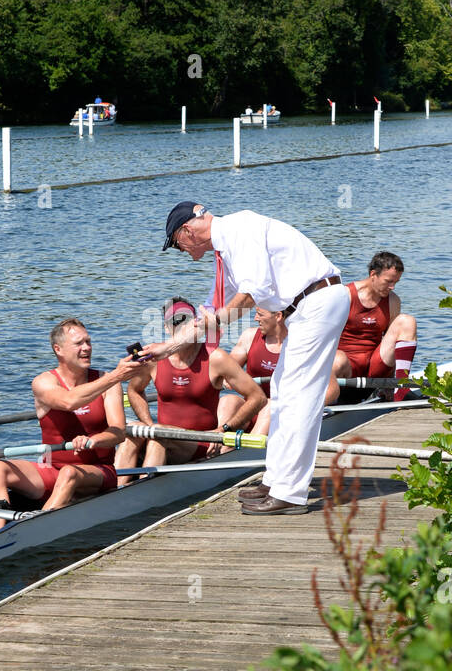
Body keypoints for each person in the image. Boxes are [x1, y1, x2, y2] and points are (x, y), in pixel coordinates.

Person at [146, 202, 350, 515]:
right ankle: (276, 479)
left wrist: (221, 320)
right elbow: (209, 313)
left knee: (300, 397)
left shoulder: (239, 229)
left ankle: (290, 493)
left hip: (317, 302)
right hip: (305, 308)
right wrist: (166, 348)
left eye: (176, 244)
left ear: (187, 230)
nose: (181, 251)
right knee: (281, 393)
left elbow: (253, 292)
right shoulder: (225, 249)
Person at [0, 319, 143, 533]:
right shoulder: (43, 383)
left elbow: (118, 432)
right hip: (52, 468)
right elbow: (68, 402)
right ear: (58, 349)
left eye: (89, 342)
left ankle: (32, 532)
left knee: (69, 474)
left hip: (100, 472)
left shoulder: (108, 382)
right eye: (79, 343)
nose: (87, 348)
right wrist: (116, 375)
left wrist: (95, 440)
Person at [117, 297, 266, 478]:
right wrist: (148, 423)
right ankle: (116, 489)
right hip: (162, 434)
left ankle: (140, 492)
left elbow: (258, 397)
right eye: (175, 321)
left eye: (186, 320)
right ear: (166, 327)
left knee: (160, 436)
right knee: (133, 430)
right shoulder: (154, 360)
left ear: (196, 323)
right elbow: (134, 390)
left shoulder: (215, 358)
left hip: (200, 442)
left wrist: (224, 429)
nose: (181, 326)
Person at [329, 252, 417, 403]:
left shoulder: (393, 301)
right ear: (373, 274)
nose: (392, 287)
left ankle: (400, 388)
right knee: (336, 360)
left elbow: (394, 345)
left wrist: (390, 380)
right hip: (346, 368)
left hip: (374, 367)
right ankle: (328, 400)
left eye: (396, 282)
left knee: (407, 321)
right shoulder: (345, 295)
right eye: (388, 281)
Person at [216, 306, 287, 439]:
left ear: (278, 316)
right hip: (252, 406)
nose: (255, 318)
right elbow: (227, 370)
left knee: (271, 404)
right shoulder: (249, 336)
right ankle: (218, 444)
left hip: (282, 411)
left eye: (260, 314)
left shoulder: (297, 344)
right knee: (228, 400)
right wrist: (227, 379)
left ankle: (250, 448)